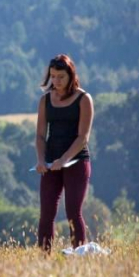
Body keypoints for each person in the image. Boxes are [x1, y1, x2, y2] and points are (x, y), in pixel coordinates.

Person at [34, 54, 94, 252]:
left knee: (73, 212)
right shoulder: (45, 101)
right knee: (46, 213)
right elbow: (41, 135)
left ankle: (79, 255)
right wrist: (42, 160)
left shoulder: (84, 99)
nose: (56, 81)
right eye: (53, 76)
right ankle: (44, 258)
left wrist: (64, 159)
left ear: (71, 75)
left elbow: (83, 137)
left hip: (76, 162)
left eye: (60, 77)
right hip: (51, 163)